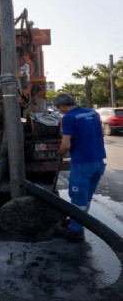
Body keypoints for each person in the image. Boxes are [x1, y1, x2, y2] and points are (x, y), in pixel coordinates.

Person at [53, 94, 106, 241]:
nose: (60, 111)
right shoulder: (92, 113)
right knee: (86, 197)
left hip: (83, 163)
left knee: (77, 197)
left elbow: (66, 144)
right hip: (99, 162)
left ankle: (75, 229)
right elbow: (101, 133)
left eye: (59, 108)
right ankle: (79, 221)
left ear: (62, 106)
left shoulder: (68, 118)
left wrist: (60, 152)